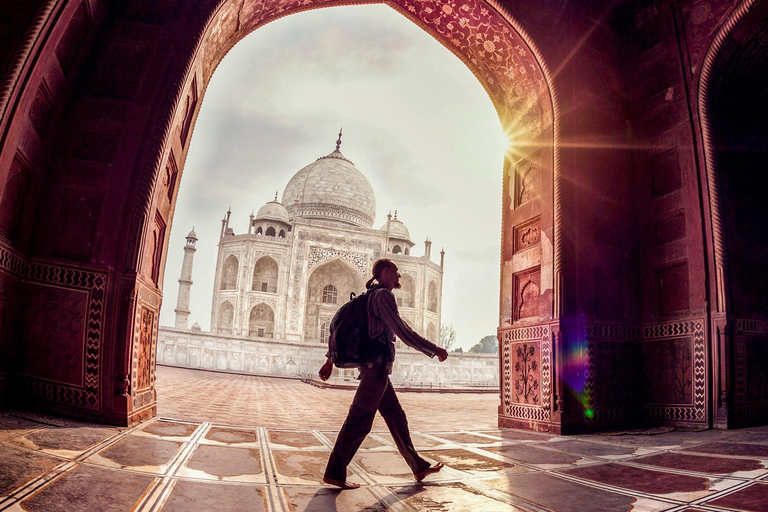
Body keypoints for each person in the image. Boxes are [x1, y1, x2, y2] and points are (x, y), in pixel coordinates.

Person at [319, 258, 449, 489]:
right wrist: (433, 349)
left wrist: (329, 360)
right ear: (385, 272)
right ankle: (335, 472)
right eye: (396, 272)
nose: (399, 277)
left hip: (375, 369)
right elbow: (401, 329)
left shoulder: (369, 296)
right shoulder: (382, 296)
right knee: (359, 420)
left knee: (396, 417)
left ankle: (418, 466)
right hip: (375, 368)